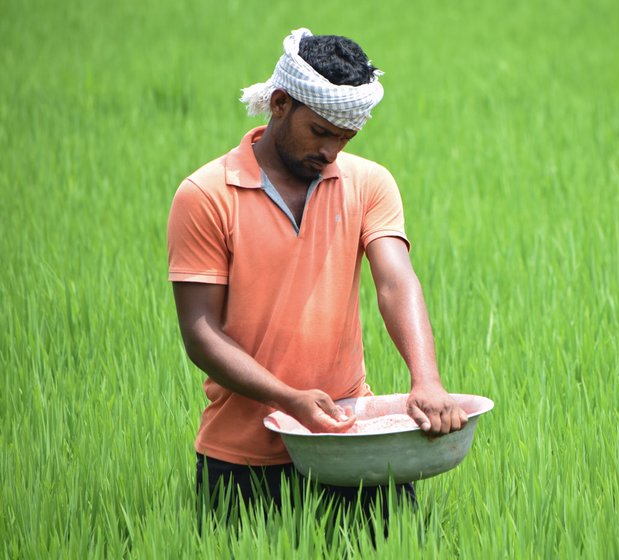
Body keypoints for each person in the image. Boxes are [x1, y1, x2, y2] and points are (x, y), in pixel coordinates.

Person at [167, 28, 467, 516]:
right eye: (321, 132)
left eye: (344, 138)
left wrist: (426, 378)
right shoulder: (206, 195)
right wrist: (288, 400)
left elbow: (395, 280)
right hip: (241, 459)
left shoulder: (369, 183)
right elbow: (200, 331)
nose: (331, 151)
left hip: (352, 446)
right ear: (280, 103)